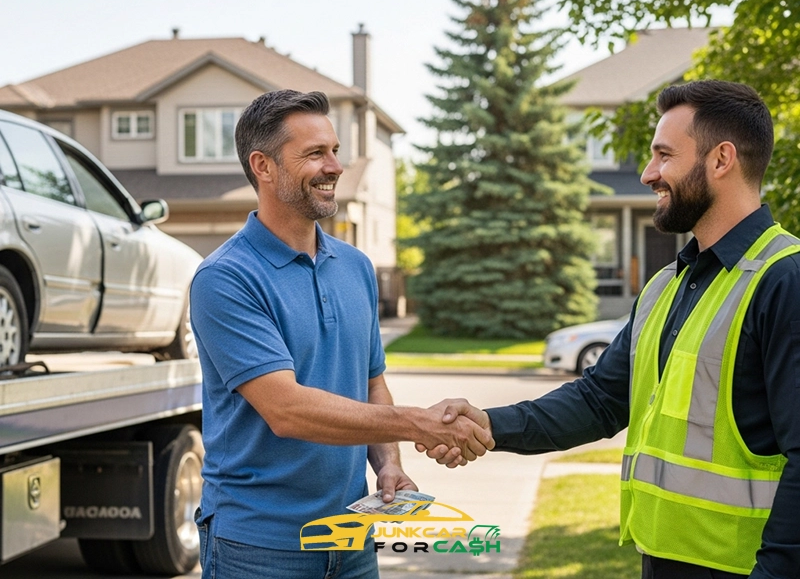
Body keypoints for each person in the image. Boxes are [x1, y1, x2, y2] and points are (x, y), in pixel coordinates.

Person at [422, 80, 800, 579]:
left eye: (664, 155)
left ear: (721, 159)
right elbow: (600, 399)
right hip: (661, 561)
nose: (648, 174)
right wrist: (488, 424)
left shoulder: (785, 280)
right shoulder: (669, 284)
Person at [190, 89, 494, 579]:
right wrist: (417, 423)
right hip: (259, 548)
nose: (334, 166)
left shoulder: (354, 267)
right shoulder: (226, 278)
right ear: (262, 166)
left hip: (351, 538)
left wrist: (388, 464)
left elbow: (370, 381)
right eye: (314, 154)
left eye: (333, 150)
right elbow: (285, 409)